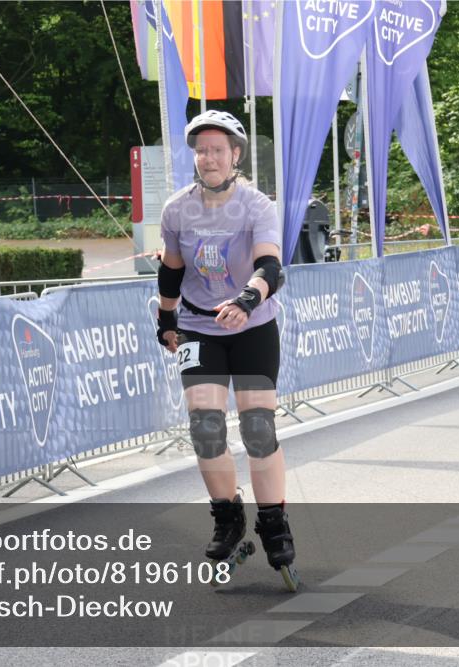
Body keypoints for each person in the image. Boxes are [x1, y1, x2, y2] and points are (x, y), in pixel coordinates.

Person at [155, 109, 299, 590]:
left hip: (252, 323)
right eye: (201, 151)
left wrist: (247, 298)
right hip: (198, 326)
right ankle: (228, 516)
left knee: (258, 427)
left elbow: (270, 267)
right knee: (205, 427)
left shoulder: (257, 205)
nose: (208, 158)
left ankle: (274, 522)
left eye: (217, 150)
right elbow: (171, 271)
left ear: (235, 155)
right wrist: (166, 319)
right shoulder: (176, 208)